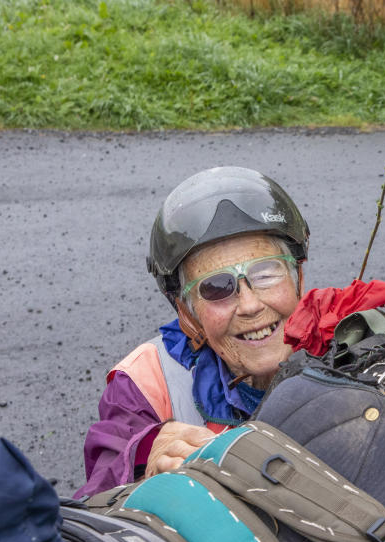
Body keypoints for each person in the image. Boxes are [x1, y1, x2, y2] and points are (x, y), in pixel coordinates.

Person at [76, 167, 310, 498]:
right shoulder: (145, 381)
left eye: (266, 273)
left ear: (298, 277)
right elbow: (93, 506)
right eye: (217, 286)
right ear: (186, 311)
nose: (250, 305)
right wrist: (142, 465)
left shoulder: (357, 348)